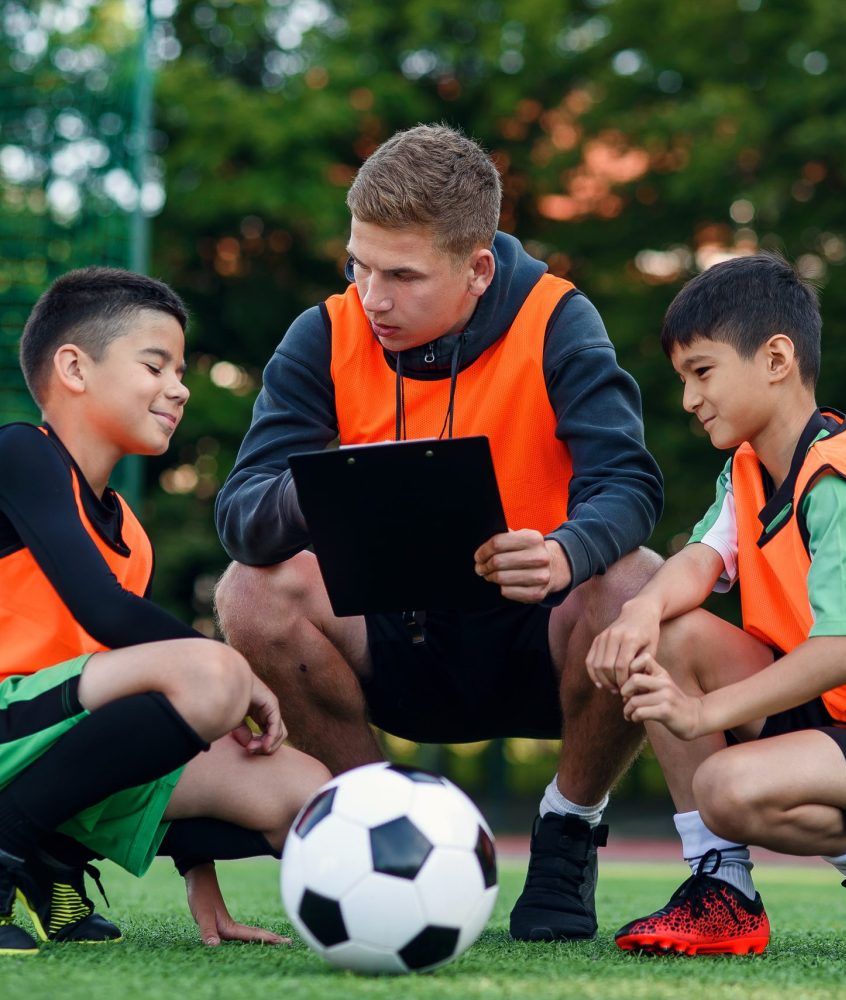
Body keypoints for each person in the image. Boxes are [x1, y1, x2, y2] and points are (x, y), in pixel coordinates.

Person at [213, 123, 664, 942]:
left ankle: (569, 830)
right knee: (249, 592)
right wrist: (334, 487)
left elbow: (630, 485)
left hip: (538, 636)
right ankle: (377, 829)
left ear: (477, 268)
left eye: (402, 275)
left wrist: (566, 552)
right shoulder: (323, 332)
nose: (371, 296)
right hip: (391, 641)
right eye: (359, 264)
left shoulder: (557, 318)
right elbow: (240, 514)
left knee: (638, 580)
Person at [586, 253, 846, 959]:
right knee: (672, 635)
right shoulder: (750, 466)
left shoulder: (837, 480)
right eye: (684, 379)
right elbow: (700, 559)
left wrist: (705, 715)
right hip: (836, 718)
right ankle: (724, 892)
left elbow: (843, 651)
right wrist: (639, 613)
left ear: (776, 358)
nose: (688, 399)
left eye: (702, 372)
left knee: (724, 787)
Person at [0, 267, 331, 956]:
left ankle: (47, 856)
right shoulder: (20, 453)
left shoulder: (132, 536)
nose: (179, 387)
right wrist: (232, 669)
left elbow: (152, 717)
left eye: (181, 370)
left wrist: (201, 887)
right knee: (211, 675)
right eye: (156, 365)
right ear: (73, 368)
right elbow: (106, 614)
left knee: (307, 792)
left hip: (49, 741)